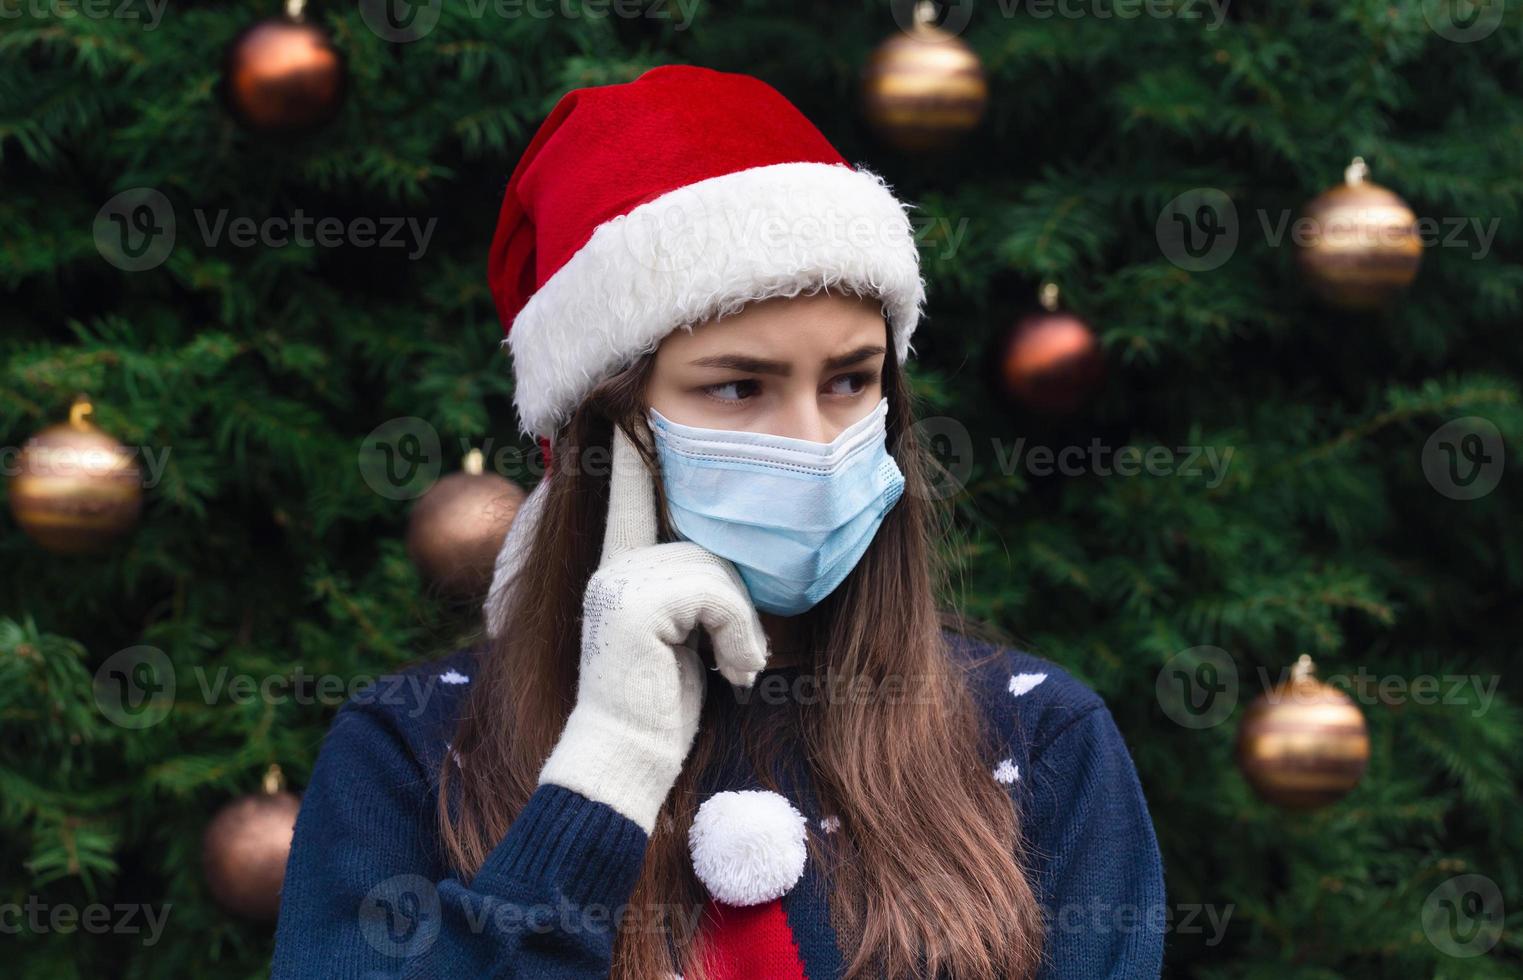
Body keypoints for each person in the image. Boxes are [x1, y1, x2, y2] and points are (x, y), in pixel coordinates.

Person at [271, 64, 1166, 979]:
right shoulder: (417, 751)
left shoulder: (1036, 737)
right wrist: (604, 771)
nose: (814, 441)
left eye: (851, 380)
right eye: (739, 386)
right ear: (605, 427)